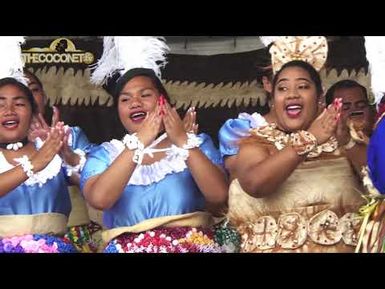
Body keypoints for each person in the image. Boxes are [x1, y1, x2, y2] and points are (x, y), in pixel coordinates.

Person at [81, 36, 228, 253]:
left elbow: (218, 195)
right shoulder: (105, 154)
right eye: (125, 99)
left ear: (163, 102)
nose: (135, 103)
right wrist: (139, 142)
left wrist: (183, 142)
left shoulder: (194, 143)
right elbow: (100, 199)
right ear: (118, 111)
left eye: (145, 95)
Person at [220, 36, 366, 253]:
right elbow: (255, 184)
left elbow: (379, 180)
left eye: (303, 86)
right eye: (283, 88)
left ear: (320, 95)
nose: (292, 94)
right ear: (273, 97)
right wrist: (308, 140)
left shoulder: (345, 137)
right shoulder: (256, 141)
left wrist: (347, 142)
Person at [24, 69, 102, 252]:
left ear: (43, 96)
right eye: (21, 91)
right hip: (12, 241)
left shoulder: (70, 134)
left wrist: (66, 154)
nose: (28, 97)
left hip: (73, 237)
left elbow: (98, 185)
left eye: (33, 90)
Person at [0, 76, 79, 253]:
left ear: (34, 112)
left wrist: (68, 156)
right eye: (0, 104)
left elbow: (95, 189)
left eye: (19, 104)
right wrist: (33, 164)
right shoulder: (43, 155)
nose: (9, 110)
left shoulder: (51, 149)